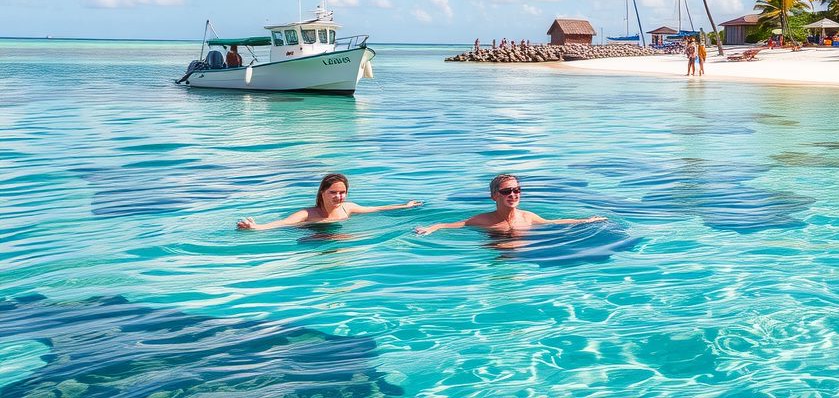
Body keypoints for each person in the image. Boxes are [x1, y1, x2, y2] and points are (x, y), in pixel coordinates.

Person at [414, 174, 605, 235]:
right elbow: (449, 224)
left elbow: (553, 222)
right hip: (499, 254)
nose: (513, 194)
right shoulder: (483, 220)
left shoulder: (528, 217)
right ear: (494, 196)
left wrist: (586, 220)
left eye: (516, 190)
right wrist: (431, 228)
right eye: (506, 191)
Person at [236, 173, 423, 230]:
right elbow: (283, 223)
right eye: (334, 192)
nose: (339, 197)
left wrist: (404, 206)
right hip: (311, 239)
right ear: (323, 193)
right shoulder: (308, 213)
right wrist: (257, 227)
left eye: (343, 192)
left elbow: (376, 209)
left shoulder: (347, 208)